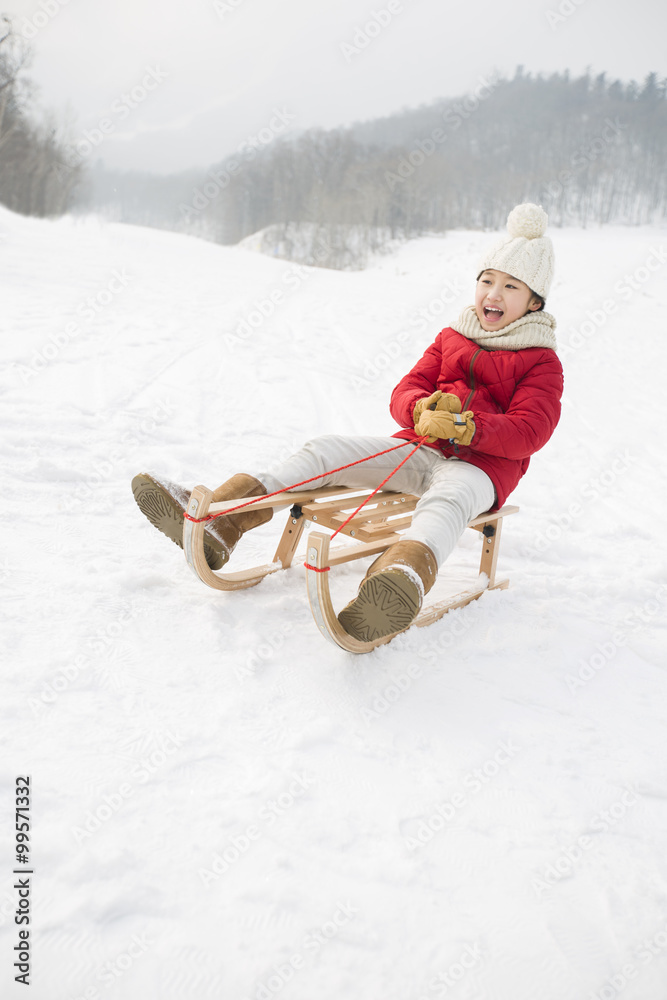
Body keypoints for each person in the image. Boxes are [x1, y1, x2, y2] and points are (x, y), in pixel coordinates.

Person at [132, 203, 563, 642]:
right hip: (420, 449)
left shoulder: (542, 361)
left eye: (510, 286)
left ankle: (398, 581)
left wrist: (469, 429)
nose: (493, 294)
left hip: (481, 470)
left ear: (533, 302)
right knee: (326, 450)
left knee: (445, 504)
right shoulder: (452, 335)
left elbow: (532, 430)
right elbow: (405, 390)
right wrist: (419, 410)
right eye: (487, 280)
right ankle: (221, 521)